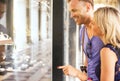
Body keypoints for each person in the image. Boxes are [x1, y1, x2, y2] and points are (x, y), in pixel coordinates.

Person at [57, 0, 104, 81]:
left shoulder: (105, 29)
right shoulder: (82, 31)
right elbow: (87, 57)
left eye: (74, 10)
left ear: (88, 7)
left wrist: (77, 73)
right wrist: (83, 75)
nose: (71, 16)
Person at [92, 6, 120, 81]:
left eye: (94, 23)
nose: (91, 25)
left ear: (103, 26)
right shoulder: (116, 49)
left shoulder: (107, 51)